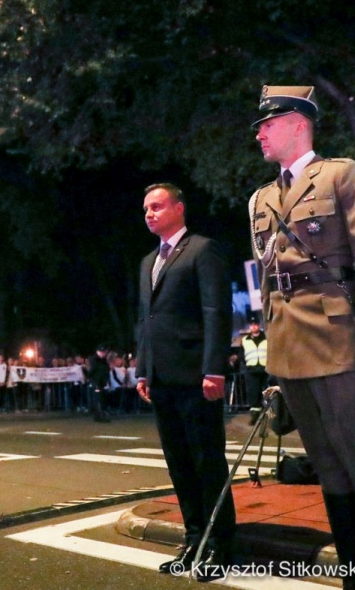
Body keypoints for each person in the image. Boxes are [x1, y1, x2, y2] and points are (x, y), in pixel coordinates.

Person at [249, 85, 355, 589]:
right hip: (291, 350)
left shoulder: (341, 175)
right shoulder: (262, 198)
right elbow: (269, 281)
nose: (260, 133)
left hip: (340, 343)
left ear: (298, 123)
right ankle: (353, 577)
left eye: (268, 124)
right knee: (328, 471)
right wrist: (271, 351)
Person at [135, 182, 234, 580]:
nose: (149, 214)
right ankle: (194, 539)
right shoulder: (148, 262)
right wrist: (143, 368)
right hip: (161, 377)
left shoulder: (201, 249)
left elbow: (215, 311)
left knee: (207, 461)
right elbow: (146, 320)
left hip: (196, 376)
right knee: (178, 464)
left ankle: (220, 544)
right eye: (145, 209)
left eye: (157, 206)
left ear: (179, 208)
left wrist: (214, 368)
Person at [240, 317, 269, 424]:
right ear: (249, 327)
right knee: (253, 394)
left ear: (259, 325)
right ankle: (255, 416)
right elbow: (241, 354)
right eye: (251, 324)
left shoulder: (267, 337)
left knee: (269, 393)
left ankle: (271, 416)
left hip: (265, 370)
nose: (253, 326)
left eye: (255, 324)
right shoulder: (244, 340)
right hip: (252, 370)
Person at [87, 345, 111, 422]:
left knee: (101, 398)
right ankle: (99, 415)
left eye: (103, 352)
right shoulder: (94, 360)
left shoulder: (103, 361)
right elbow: (92, 371)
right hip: (96, 382)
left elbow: (106, 371)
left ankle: (99, 415)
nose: (102, 354)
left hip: (102, 382)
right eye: (101, 352)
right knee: (98, 399)